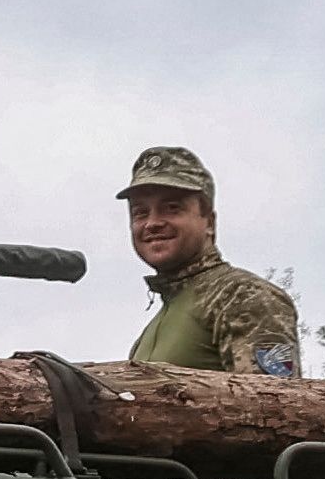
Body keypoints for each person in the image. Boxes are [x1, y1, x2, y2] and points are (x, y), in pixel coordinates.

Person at [118, 147, 302, 374]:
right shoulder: (149, 333)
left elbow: (274, 404)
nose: (153, 222)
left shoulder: (242, 296)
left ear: (209, 222)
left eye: (172, 208)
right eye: (140, 213)